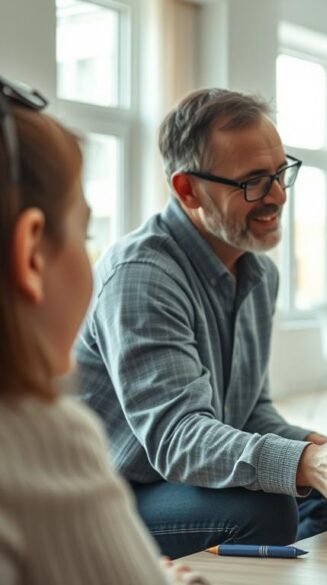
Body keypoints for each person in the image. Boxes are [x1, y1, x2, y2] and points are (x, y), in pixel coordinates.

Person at [73, 88, 327, 558]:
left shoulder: (260, 272)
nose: (279, 195)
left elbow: (250, 414)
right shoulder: (142, 276)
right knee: (260, 511)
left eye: (281, 172)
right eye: (253, 182)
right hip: (113, 496)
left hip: (184, 483)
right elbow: (178, 439)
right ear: (187, 190)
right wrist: (308, 463)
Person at [0, 75, 205, 584]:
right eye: (84, 233)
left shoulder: (258, 276)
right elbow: (179, 436)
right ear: (30, 254)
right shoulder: (39, 437)